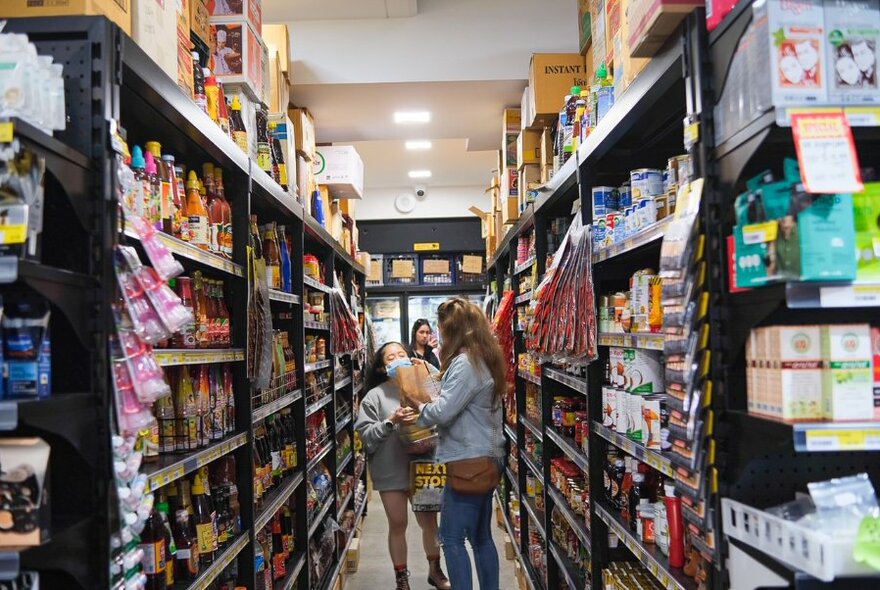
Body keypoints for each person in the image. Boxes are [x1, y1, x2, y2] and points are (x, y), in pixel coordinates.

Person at [408, 297, 506, 590]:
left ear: (455, 331)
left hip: (469, 462)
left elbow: (443, 411)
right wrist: (427, 373)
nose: (438, 337)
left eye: (441, 329)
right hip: (485, 457)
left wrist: (417, 404)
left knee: (450, 538)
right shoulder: (483, 357)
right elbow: (458, 400)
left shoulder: (466, 363)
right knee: (481, 537)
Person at [354, 342, 451, 590]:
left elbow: (447, 399)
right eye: (390, 358)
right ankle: (402, 579)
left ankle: (435, 570)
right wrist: (390, 421)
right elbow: (366, 436)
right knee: (398, 523)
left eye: (401, 355)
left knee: (429, 521)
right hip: (391, 468)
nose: (397, 359)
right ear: (382, 367)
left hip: (426, 463)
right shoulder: (373, 397)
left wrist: (427, 369)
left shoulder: (425, 385)